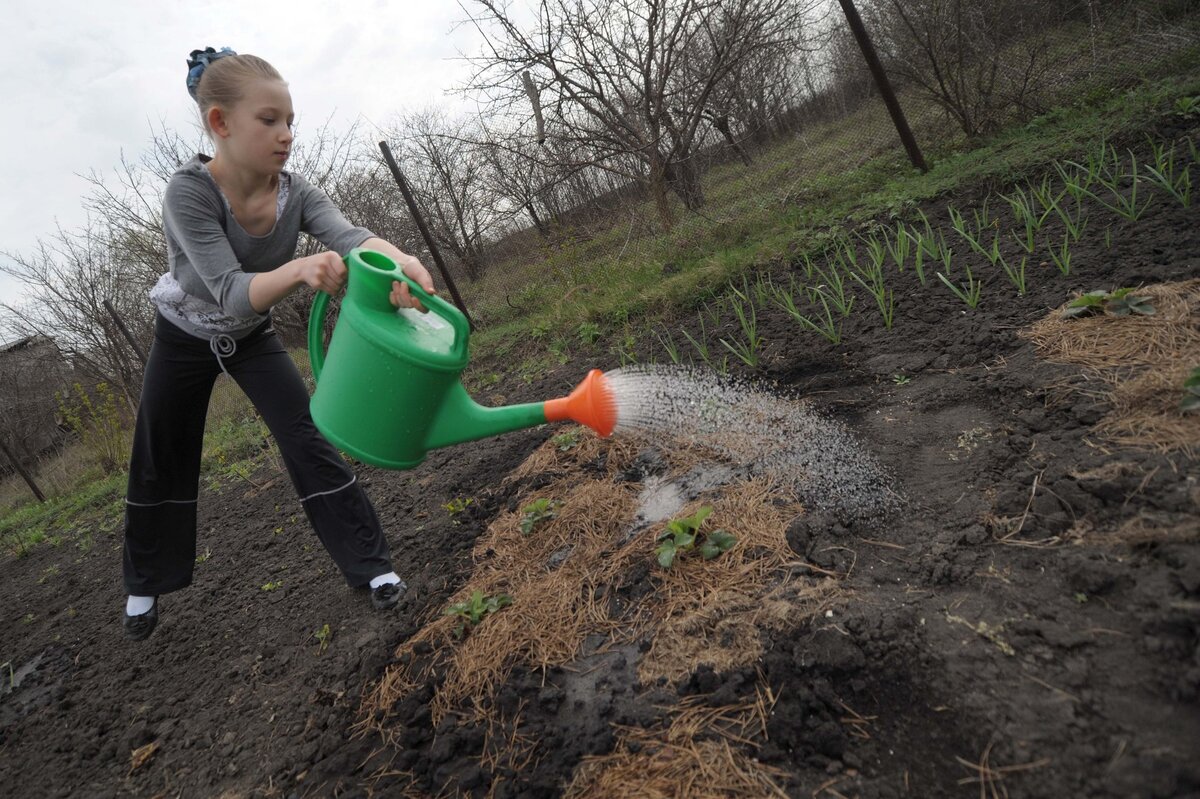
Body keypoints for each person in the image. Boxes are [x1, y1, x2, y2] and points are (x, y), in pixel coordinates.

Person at [122, 47, 434, 641]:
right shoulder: (188, 193)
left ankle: (374, 570)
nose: (286, 135)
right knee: (161, 451)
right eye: (269, 120)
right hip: (185, 335)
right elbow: (228, 291)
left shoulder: (296, 193)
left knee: (308, 435)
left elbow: (350, 238)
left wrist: (402, 262)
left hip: (251, 337)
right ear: (221, 123)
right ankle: (145, 584)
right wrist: (298, 270)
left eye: (290, 121)